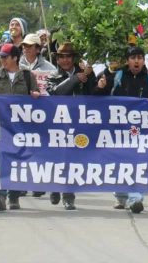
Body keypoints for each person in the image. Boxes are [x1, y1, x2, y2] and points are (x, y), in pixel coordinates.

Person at [98, 46, 148, 213]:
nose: (136, 61)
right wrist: (101, 86)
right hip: (118, 129)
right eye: (133, 57)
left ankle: (135, 198)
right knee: (120, 163)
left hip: (141, 130)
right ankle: (121, 196)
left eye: (140, 57)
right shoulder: (117, 76)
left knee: (137, 163)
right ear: (127, 60)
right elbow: (100, 97)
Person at [0, 43, 40, 211]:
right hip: (0, 125)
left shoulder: (28, 76)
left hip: (21, 128)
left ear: (15, 58)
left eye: (5, 57)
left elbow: (35, 95)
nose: (2, 60)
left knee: (17, 161)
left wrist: (35, 95)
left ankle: (14, 197)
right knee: (1, 160)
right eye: (1, 57)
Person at [46, 42, 96, 210]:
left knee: (72, 160)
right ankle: (54, 187)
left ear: (73, 58)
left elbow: (94, 95)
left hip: (79, 123)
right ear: (57, 59)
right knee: (57, 158)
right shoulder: (52, 75)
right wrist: (75, 79)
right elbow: (55, 92)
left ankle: (68, 194)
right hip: (58, 123)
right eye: (61, 57)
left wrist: (91, 78)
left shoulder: (87, 73)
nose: (65, 60)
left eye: (68, 56)